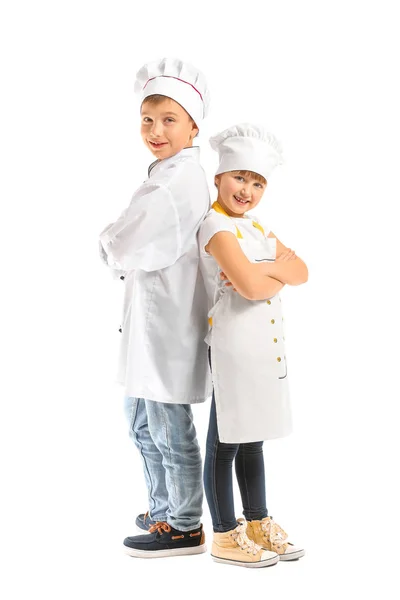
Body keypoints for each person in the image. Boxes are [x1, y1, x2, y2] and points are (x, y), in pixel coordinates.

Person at [99, 58, 212, 558]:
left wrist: (106, 240)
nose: (155, 130)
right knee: (143, 424)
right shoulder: (167, 174)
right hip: (151, 320)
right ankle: (164, 509)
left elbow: (120, 243)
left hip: (166, 324)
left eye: (169, 119)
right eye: (147, 119)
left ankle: (185, 525)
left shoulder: (173, 183)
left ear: (193, 126)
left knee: (168, 427)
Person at [197, 123, 308, 568]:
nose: (248, 189)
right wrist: (271, 270)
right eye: (240, 177)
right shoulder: (214, 224)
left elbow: (302, 271)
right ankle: (225, 533)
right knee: (226, 441)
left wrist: (268, 271)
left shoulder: (257, 226)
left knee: (253, 438)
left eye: (258, 182)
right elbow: (245, 284)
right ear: (219, 177)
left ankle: (257, 522)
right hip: (232, 348)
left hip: (264, 349)